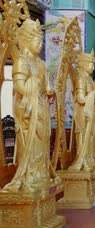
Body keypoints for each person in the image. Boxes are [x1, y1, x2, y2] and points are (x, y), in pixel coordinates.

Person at [3, 19, 55, 191]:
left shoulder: (41, 64)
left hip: (41, 108)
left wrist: (50, 90)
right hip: (27, 110)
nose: (39, 44)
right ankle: (29, 176)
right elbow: (20, 86)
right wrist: (33, 83)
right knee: (30, 144)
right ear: (25, 40)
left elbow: (46, 87)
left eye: (41, 40)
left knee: (42, 143)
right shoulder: (21, 61)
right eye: (36, 40)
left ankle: (40, 174)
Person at [69, 51, 95, 171]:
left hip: (91, 112)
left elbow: (94, 98)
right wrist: (93, 92)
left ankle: (89, 159)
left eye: (93, 64)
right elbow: (81, 99)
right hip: (83, 113)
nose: (92, 67)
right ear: (82, 64)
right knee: (83, 135)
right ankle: (82, 160)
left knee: (91, 136)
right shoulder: (81, 78)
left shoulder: (89, 79)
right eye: (90, 63)